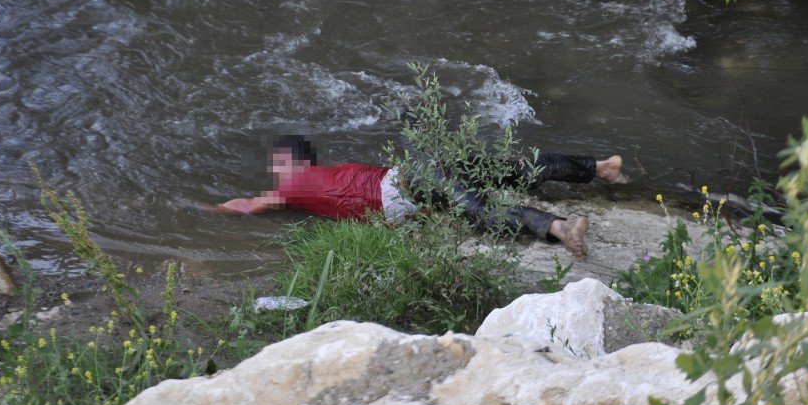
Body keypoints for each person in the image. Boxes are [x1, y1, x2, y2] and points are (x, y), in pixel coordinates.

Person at [213, 135, 626, 259]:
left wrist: (200, 208)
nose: (275, 174)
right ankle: (601, 167)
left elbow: (246, 207)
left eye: (277, 165)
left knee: (478, 211)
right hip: (417, 175)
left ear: (290, 162)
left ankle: (559, 227)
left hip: (414, 183)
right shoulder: (327, 174)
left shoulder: (293, 184)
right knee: (513, 168)